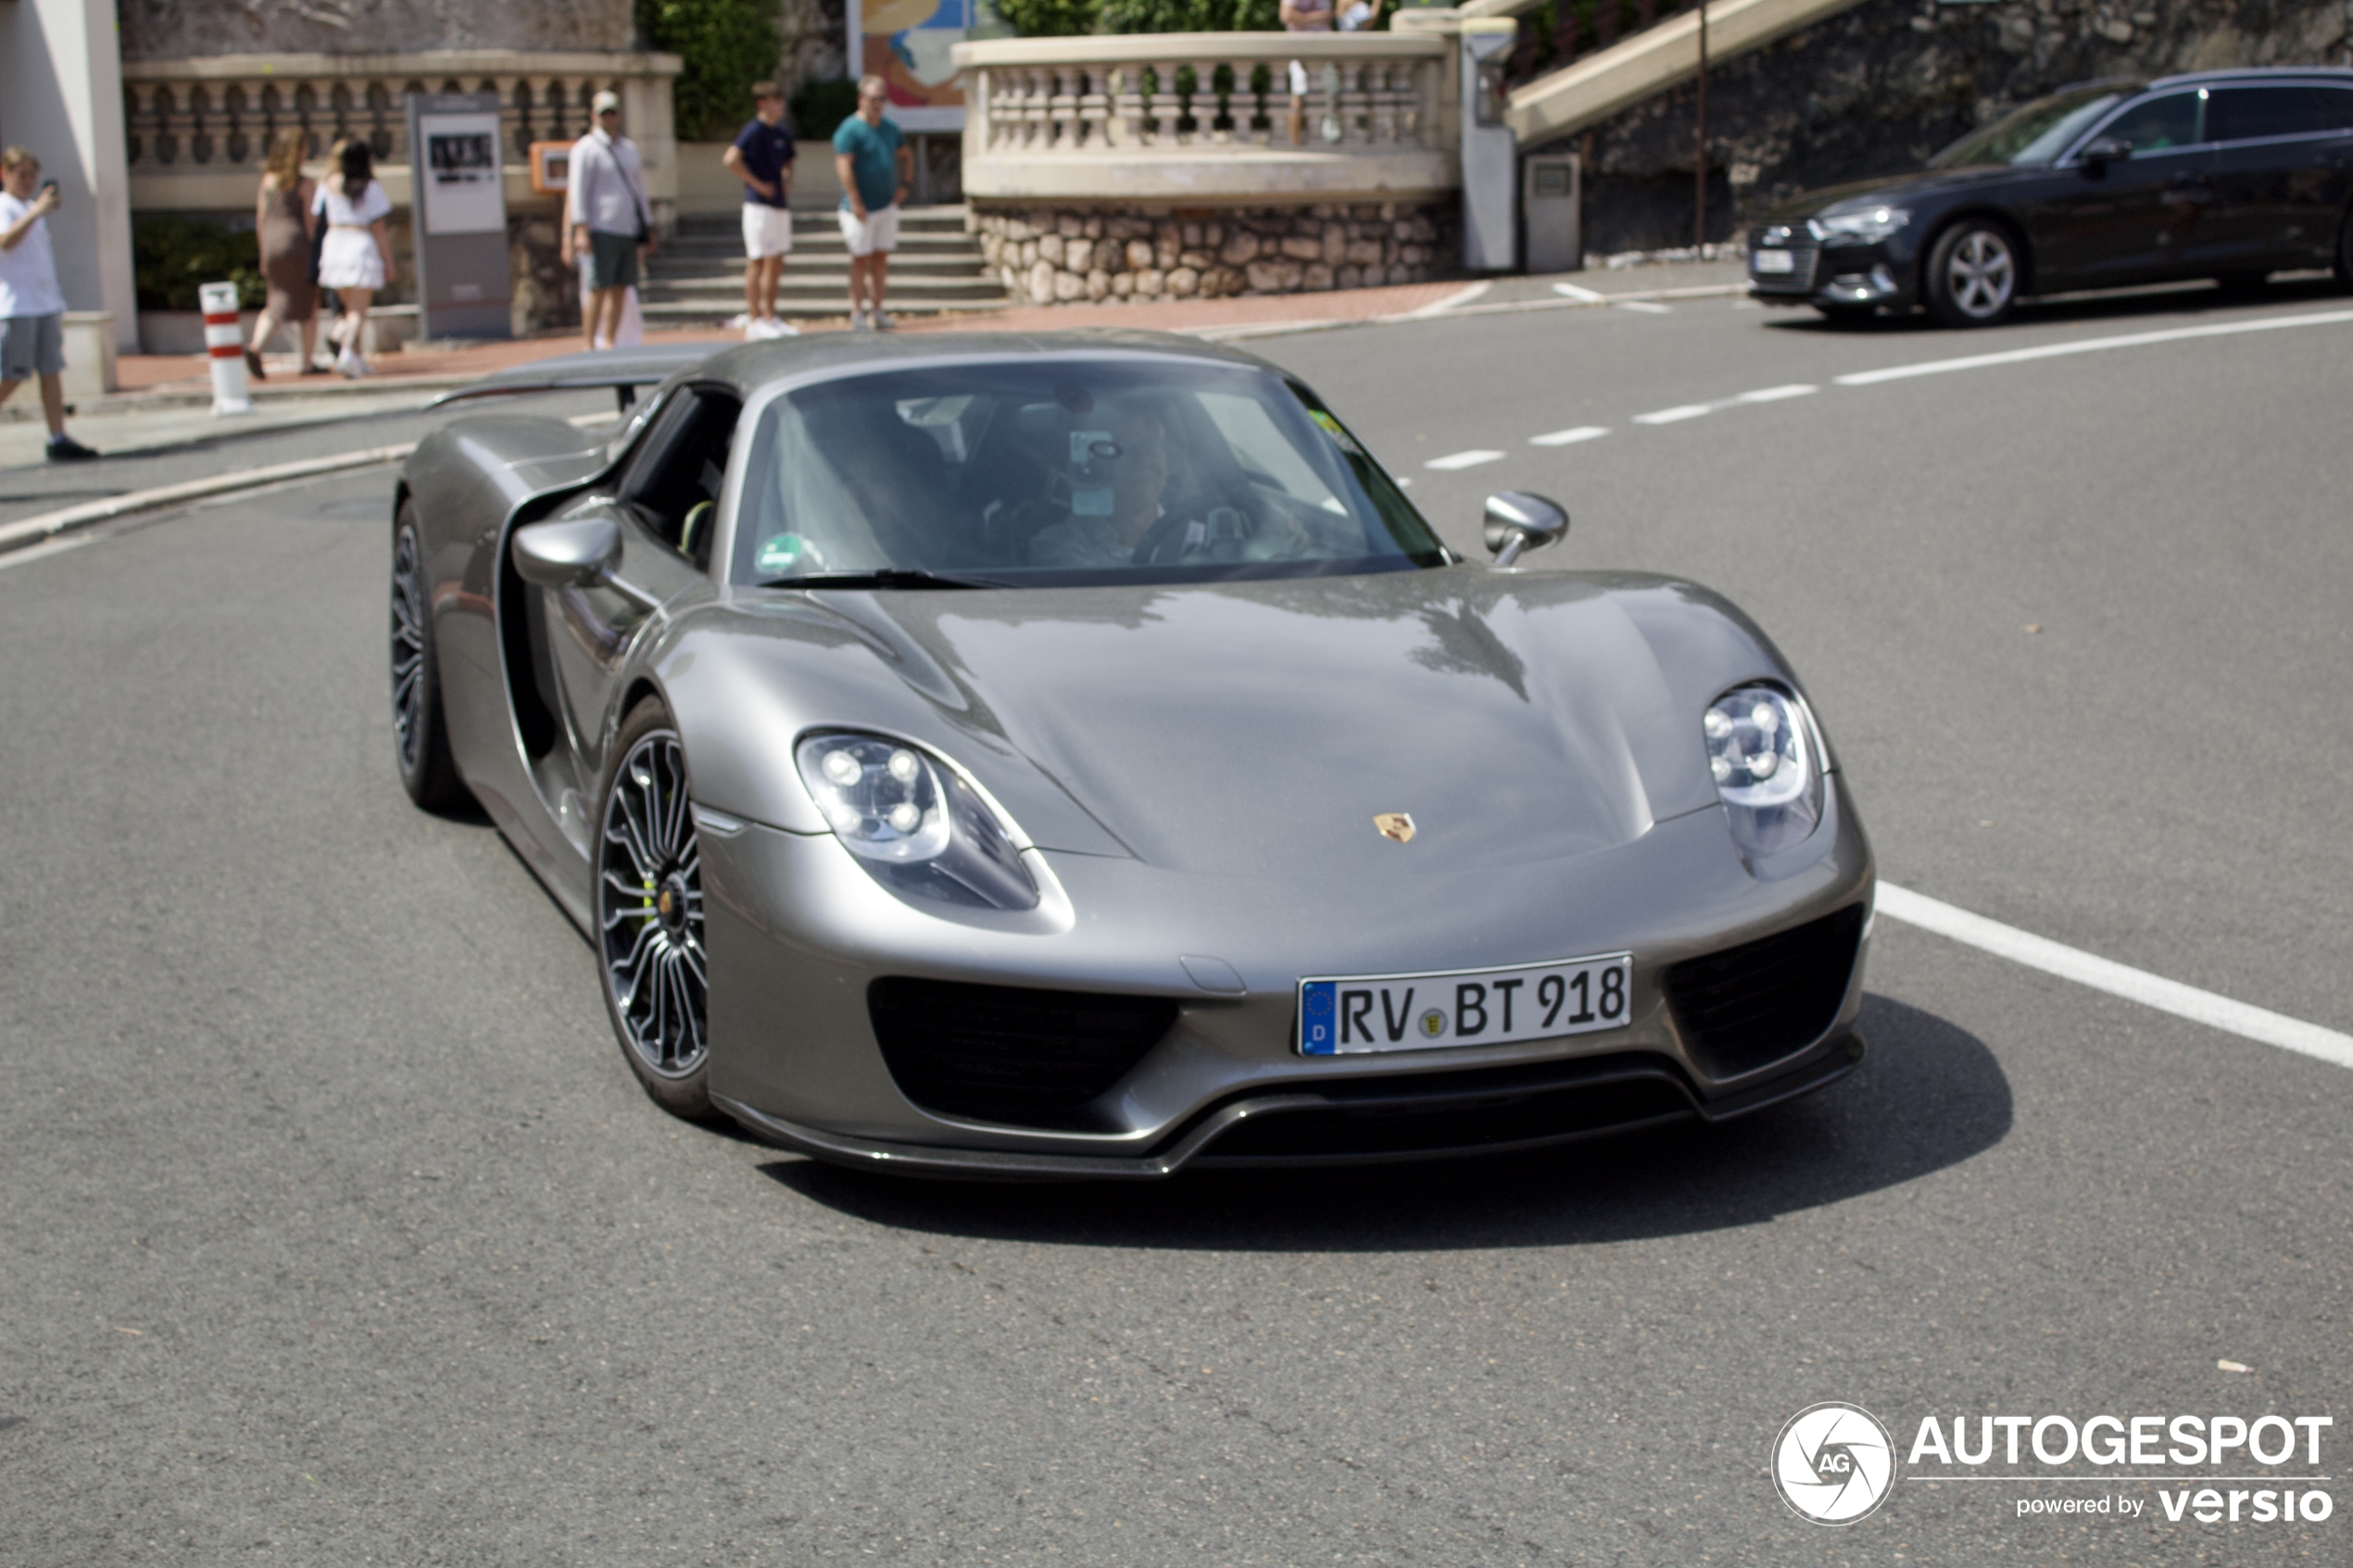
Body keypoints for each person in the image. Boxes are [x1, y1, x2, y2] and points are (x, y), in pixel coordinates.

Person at [0, 147, 98, 460]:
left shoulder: (31, 207)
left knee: (51, 370)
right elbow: (5, 242)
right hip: (17, 305)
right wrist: (36, 212)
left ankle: (58, 437)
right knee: (13, 374)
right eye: (21, 174)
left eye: (32, 174)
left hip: (44, 303)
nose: (28, 181)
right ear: (5, 174)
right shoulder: (6, 206)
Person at [563, 90, 655, 352]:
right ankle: (588, 342)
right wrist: (580, 229)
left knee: (621, 287)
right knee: (598, 286)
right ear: (594, 115)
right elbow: (577, 191)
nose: (609, 117)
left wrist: (647, 225)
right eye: (604, 113)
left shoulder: (629, 149)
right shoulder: (586, 149)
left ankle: (610, 340)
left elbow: (640, 190)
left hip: (626, 227)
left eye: (613, 112)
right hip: (600, 227)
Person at [833, 76, 913, 332]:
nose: (877, 104)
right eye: (872, 99)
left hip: (885, 205)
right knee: (860, 259)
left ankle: (877, 310)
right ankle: (856, 312)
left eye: (881, 99)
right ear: (861, 100)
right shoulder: (850, 129)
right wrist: (855, 200)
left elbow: (905, 155)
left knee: (881, 259)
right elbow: (843, 164)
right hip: (860, 208)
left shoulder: (890, 128)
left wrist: (905, 186)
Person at [311, 139, 396, 377]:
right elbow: (379, 228)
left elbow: (318, 215)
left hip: (335, 244)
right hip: (360, 244)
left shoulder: (328, 184)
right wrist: (388, 261)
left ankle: (356, 357)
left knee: (349, 307)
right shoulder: (370, 186)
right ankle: (345, 348)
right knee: (358, 311)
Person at [723, 81, 798, 341]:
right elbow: (731, 159)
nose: (781, 104)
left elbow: (789, 161)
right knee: (758, 260)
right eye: (776, 99)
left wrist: (786, 179)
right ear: (762, 103)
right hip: (758, 206)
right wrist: (756, 184)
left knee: (776, 261)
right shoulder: (752, 131)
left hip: (779, 205)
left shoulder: (781, 133)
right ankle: (754, 319)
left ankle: (771, 316)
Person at [245, 129, 321, 379]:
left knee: (276, 301)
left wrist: (263, 255)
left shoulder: (268, 181)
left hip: (272, 245)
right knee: (309, 303)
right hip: (297, 244)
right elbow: (311, 223)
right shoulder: (304, 183)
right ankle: (308, 363)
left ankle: (256, 346)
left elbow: (260, 220)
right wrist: (317, 255)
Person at [1281, 0, 1336, 145]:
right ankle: (1296, 144)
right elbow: (1285, 15)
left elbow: (1335, 13)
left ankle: (1325, 144)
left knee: (1330, 97)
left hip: (1325, 52)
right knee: (1298, 97)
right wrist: (1313, 18)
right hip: (1300, 52)